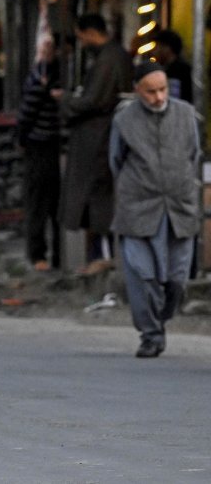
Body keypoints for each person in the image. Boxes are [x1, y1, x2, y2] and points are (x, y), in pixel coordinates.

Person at [109, 62, 200, 358]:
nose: (159, 97)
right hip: (137, 207)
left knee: (176, 279)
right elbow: (116, 161)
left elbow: (193, 154)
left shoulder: (186, 115)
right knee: (142, 274)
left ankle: (162, 317)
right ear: (137, 91)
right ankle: (150, 335)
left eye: (163, 90)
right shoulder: (124, 120)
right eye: (151, 92)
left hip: (179, 207)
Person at [51, 13, 132, 274]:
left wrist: (65, 101)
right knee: (94, 197)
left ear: (89, 32)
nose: (81, 43)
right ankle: (97, 255)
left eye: (81, 36)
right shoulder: (111, 57)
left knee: (98, 197)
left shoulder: (109, 59)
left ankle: (103, 256)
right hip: (98, 137)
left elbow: (94, 100)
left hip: (100, 138)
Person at [17, 33, 62, 271]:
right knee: (50, 204)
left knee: (39, 203)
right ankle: (46, 256)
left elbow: (27, 113)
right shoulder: (49, 76)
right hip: (47, 145)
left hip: (41, 146)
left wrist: (21, 137)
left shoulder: (43, 76)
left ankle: (40, 256)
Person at [151, 29, 192, 103]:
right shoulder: (164, 69)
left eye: (157, 46)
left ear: (167, 48)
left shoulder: (180, 71)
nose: (154, 51)